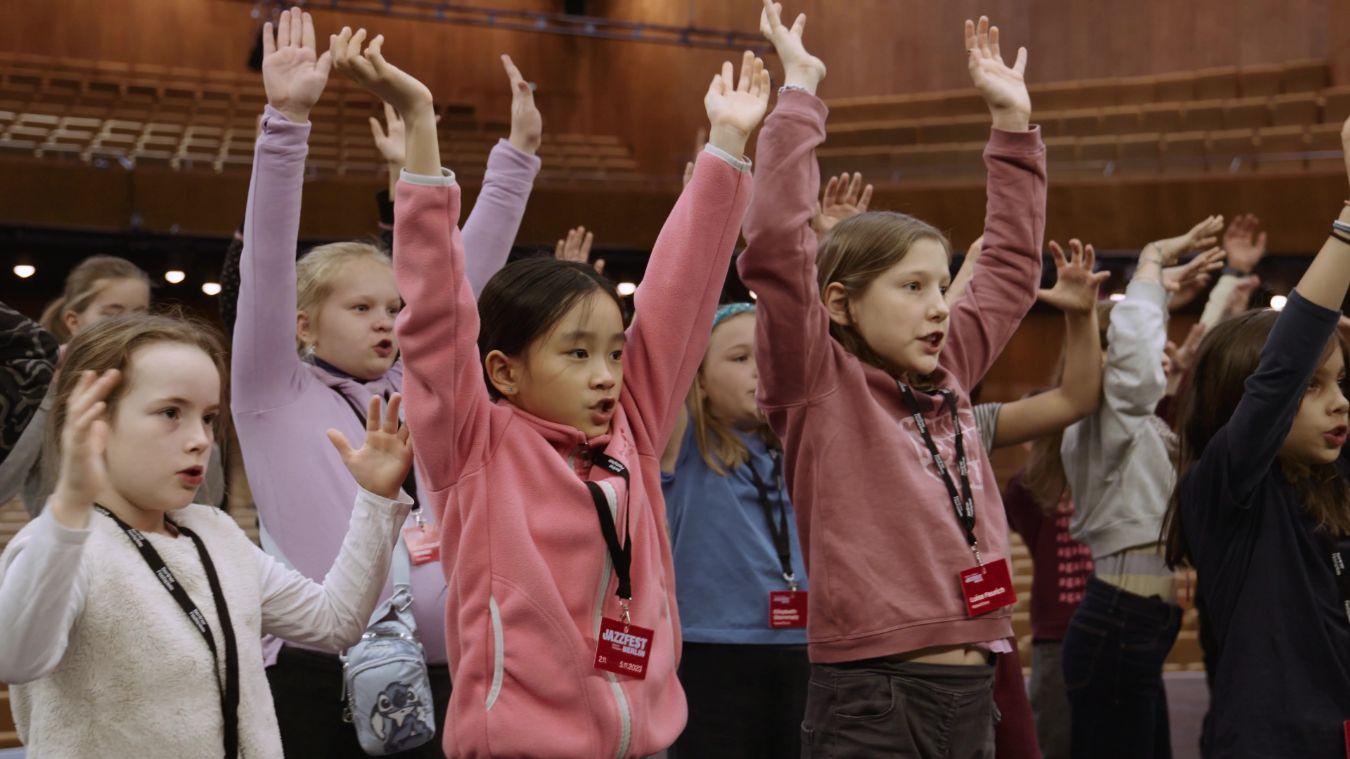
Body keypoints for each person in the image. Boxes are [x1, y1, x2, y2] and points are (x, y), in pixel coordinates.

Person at [332, 18, 767, 756]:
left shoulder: (630, 422)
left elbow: (682, 292)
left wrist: (726, 144)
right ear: (504, 370)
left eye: (613, 352)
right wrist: (419, 126)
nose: (605, 373)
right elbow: (436, 312)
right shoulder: (473, 444)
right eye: (575, 353)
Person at [739, 3, 1045, 754]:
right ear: (838, 301)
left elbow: (1007, 268)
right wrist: (800, 95)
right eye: (912, 288)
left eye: (941, 286)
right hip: (873, 694)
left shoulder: (947, 372)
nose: (940, 307)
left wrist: (1014, 129)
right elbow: (777, 244)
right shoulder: (816, 378)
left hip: (972, 687)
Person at [0, 313, 415, 758]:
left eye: (208, 417)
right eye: (170, 413)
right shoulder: (62, 543)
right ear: (93, 420)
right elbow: (17, 659)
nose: (200, 439)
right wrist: (69, 507)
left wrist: (375, 498)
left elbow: (335, 622)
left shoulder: (213, 531)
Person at [1163, 115, 1350, 758]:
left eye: (1341, 383)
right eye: (1315, 387)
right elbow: (1281, 371)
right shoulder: (1225, 493)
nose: (1340, 403)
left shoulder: (1330, 481)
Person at [1058, 216, 1226, 759]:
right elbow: (1136, 370)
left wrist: (1176, 296)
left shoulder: (1129, 425)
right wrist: (1150, 260)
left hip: (1138, 621)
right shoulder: (1100, 419)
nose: (1154, 353)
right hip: (1119, 621)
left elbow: (1175, 402)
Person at [661, 302, 810, 759]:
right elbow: (666, 364)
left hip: (805, 645)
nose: (759, 371)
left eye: (767, 358)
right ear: (699, 381)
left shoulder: (800, 447)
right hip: (713, 651)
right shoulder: (686, 444)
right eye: (740, 358)